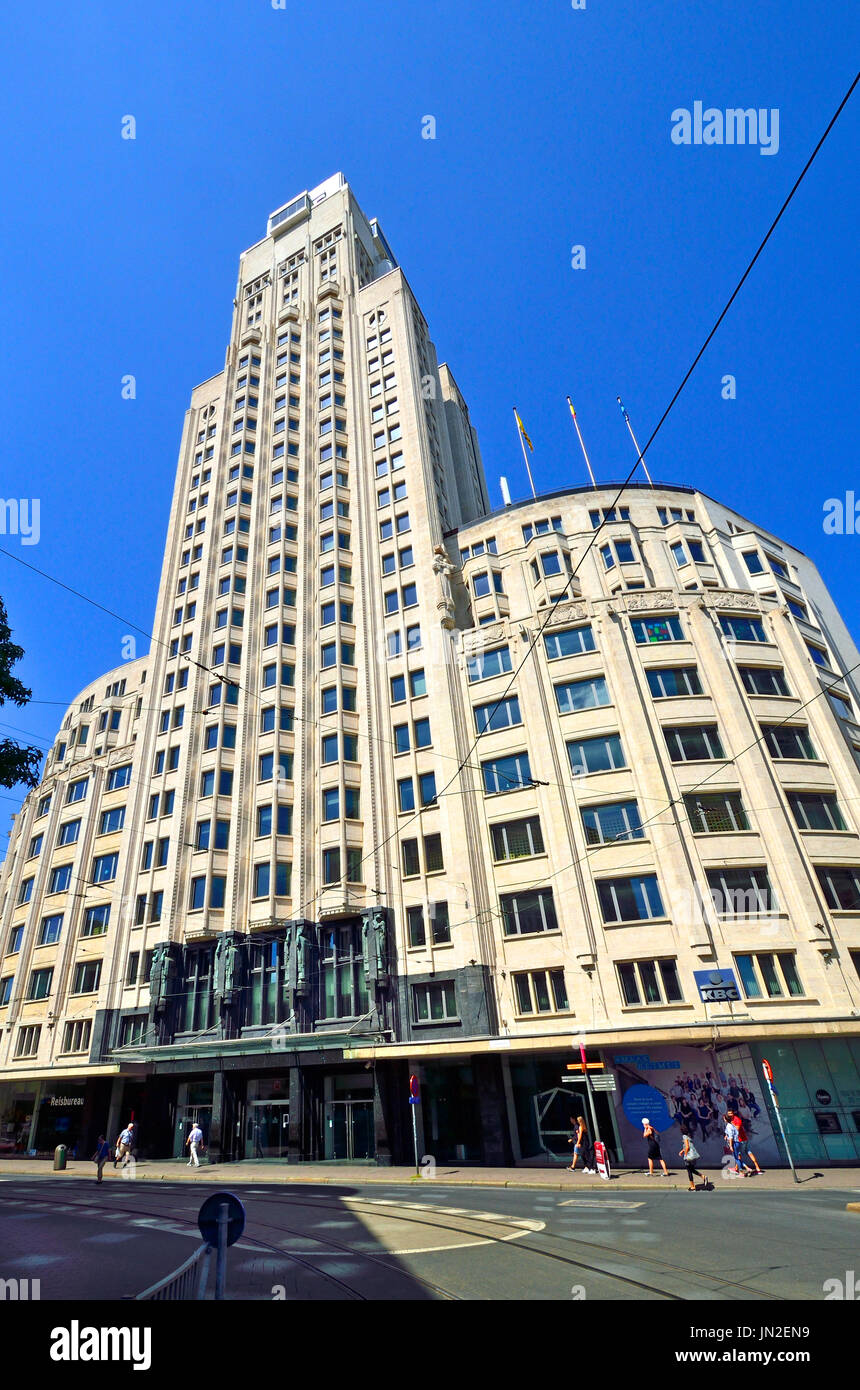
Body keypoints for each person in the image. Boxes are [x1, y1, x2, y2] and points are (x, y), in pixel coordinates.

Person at [729, 1110, 758, 1176]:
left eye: (730, 1113)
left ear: (733, 1113)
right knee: (743, 1153)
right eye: (728, 1114)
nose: (729, 1115)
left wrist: (730, 1142)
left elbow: (735, 1131)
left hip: (740, 1141)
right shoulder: (733, 1121)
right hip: (741, 1140)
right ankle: (756, 1168)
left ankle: (745, 1170)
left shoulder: (737, 1121)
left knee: (738, 1155)